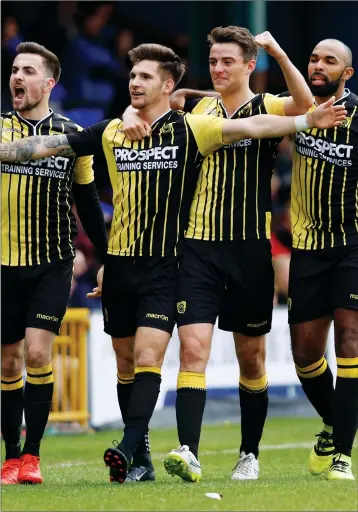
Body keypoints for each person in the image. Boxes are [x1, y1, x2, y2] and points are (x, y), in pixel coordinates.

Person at [0, 42, 346, 485]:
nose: (134, 83)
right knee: (127, 362)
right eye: (132, 77)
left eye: (145, 77)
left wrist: (304, 120)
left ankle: (143, 446)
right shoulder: (111, 131)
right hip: (123, 266)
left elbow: (254, 124)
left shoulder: (192, 127)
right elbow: (52, 146)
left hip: (169, 266)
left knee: (156, 356)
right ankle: (139, 455)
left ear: (168, 85)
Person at [124, 27, 312, 481]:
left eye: (228, 61)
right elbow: (146, 105)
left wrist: (278, 51)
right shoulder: (198, 109)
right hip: (197, 247)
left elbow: (305, 107)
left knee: (252, 358)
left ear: (250, 66)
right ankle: (188, 449)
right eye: (213, 62)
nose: (219, 68)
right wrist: (133, 109)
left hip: (249, 249)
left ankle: (249, 453)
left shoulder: (266, 106)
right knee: (193, 348)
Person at [0, 42, 108, 486]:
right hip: (5, 263)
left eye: (27, 70)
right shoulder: (2, 129)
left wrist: (106, 259)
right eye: (13, 70)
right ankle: (9, 457)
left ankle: (32, 456)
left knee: (39, 352)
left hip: (51, 262)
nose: (16, 78)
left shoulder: (72, 136)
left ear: (49, 83)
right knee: (8, 364)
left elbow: (87, 200)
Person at [287, 39, 357, 481]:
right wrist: (187, 96)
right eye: (313, 58)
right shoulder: (299, 107)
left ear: (346, 73)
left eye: (329, 60)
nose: (318, 65)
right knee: (305, 353)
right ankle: (334, 424)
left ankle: (343, 457)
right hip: (308, 245)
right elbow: (242, 104)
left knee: (350, 338)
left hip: (352, 244)